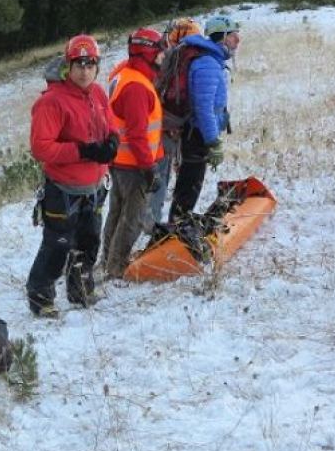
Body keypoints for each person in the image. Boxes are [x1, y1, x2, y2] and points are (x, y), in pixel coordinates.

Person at [26, 34, 117, 317]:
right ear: (68, 65)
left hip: (94, 187)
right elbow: (42, 148)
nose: (85, 70)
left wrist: (113, 140)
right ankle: (41, 297)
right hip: (63, 190)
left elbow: (110, 124)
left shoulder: (99, 93)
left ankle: (81, 289)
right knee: (57, 245)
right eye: (79, 64)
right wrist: (84, 151)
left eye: (91, 64)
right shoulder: (51, 102)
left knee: (89, 242)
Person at [100, 27, 165, 278]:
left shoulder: (123, 74)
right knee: (132, 218)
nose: (163, 55)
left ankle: (107, 261)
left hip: (120, 162)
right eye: (159, 50)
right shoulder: (137, 87)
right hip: (135, 165)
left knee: (116, 213)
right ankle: (116, 268)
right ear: (147, 53)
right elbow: (138, 134)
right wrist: (148, 167)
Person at [169, 15, 240, 224]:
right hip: (197, 135)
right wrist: (213, 141)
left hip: (198, 134)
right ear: (222, 38)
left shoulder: (212, 59)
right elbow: (204, 108)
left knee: (190, 184)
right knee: (188, 186)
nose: (238, 40)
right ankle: (175, 231)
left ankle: (178, 226)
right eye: (234, 35)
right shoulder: (207, 63)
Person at [146, 17, 202, 232]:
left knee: (158, 182)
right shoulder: (185, 60)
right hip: (169, 131)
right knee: (159, 181)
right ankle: (151, 226)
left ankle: (152, 224)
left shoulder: (170, 60)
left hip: (163, 129)